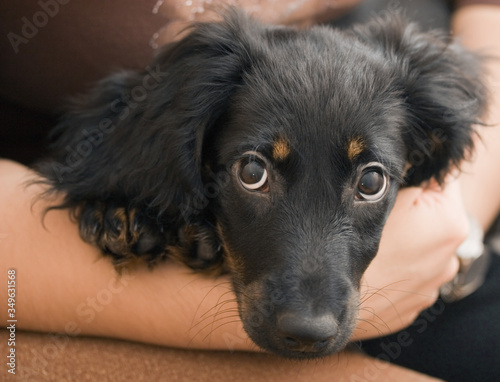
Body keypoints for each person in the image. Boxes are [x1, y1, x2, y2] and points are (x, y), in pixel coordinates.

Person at [1, 0, 500, 380]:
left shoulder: (408, 95)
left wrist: (458, 218)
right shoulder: (200, 95)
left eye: (369, 182)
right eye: (255, 173)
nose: (312, 314)